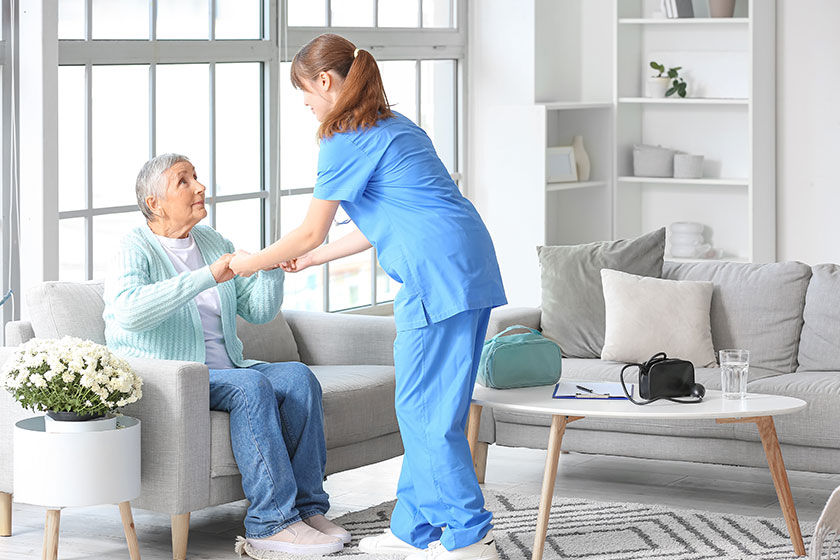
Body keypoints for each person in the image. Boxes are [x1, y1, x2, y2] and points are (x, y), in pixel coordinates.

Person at [229, 33, 507, 560]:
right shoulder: (394, 126)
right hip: (467, 264)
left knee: (426, 413)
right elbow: (388, 217)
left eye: (305, 91)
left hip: (433, 275)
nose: (306, 103)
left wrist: (247, 262)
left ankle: (471, 537)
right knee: (430, 407)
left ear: (327, 81)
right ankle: (412, 528)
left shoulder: (343, 138)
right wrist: (315, 260)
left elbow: (310, 230)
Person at [103, 153, 350, 557]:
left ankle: (307, 509)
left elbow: (258, 311)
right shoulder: (135, 246)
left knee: (298, 378)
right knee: (250, 386)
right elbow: (130, 311)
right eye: (184, 181)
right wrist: (206, 276)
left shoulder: (213, 241)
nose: (200, 187)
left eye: (196, 177)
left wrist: (269, 265)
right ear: (155, 203)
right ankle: (271, 522)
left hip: (228, 369)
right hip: (174, 375)